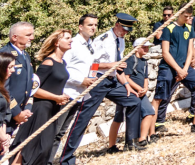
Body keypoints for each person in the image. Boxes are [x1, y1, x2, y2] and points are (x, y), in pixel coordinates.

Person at [59, 14, 139, 165]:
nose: (125, 33)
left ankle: (131, 142)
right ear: (117, 25)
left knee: (133, 101)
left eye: (128, 31)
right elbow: (92, 65)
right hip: (97, 81)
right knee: (82, 120)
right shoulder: (100, 41)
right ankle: (66, 158)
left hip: (112, 80)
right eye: (123, 29)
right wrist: (105, 69)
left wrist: (126, 85)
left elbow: (117, 65)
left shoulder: (119, 41)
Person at [153, 6, 195, 133]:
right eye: (186, 16)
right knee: (163, 96)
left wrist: (184, 69)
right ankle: (156, 125)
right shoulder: (168, 28)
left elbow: (190, 50)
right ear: (179, 14)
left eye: (190, 16)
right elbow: (165, 52)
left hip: (184, 67)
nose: (188, 19)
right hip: (169, 67)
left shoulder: (189, 28)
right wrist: (178, 70)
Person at [21, 30, 72, 165]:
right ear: (57, 43)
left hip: (54, 108)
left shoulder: (63, 63)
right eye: (67, 38)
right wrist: (56, 97)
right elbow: (34, 90)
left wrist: (60, 98)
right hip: (42, 109)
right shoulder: (48, 63)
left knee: (47, 147)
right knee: (38, 147)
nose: (70, 40)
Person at [107, 38, 154, 151]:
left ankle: (141, 139)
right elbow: (126, 77)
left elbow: (145, 77)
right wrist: (138, 88)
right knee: (118, 118)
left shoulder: (144, 61)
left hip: (140, 93)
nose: (147, 48)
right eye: (144, 47)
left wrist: (145, 88)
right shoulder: (130, 60)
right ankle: (111, 145)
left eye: (148, 46)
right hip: (128, 92)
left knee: (149, 112)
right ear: (137, 48)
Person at [1, 22, 34, 146]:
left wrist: (26, 109)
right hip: (7, 114)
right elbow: (4, 88)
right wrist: (16, 113)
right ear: (15, 37)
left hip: (20, 112)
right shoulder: (5, 55)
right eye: (28, 35)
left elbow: (28, 84)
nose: (32, 38)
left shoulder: (25, 54)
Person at [0, 52, 16, 153]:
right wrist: (3, 138)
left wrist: (4, 138)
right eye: (10, 67)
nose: (13, 70)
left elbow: (4, 115)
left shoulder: (3, 89)